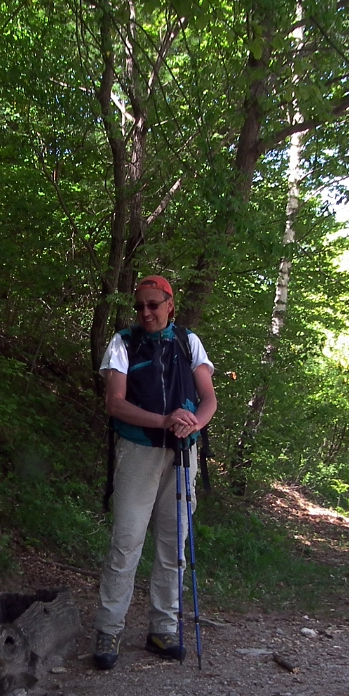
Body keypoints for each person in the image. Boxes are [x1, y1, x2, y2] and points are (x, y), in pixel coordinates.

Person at [93, 276, 217, 670]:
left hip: (183, 452)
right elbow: (115, 403)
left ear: (170, 305)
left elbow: (209, 398)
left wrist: (193, 424)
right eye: (140, 306)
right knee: (126, 541)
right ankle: (109, 629)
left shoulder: (187, 341)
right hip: (138, 451)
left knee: (173, 544)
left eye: (153, 305)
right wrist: (165, 420)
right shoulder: (123, 342)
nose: (146, 313)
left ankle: (163, 627)